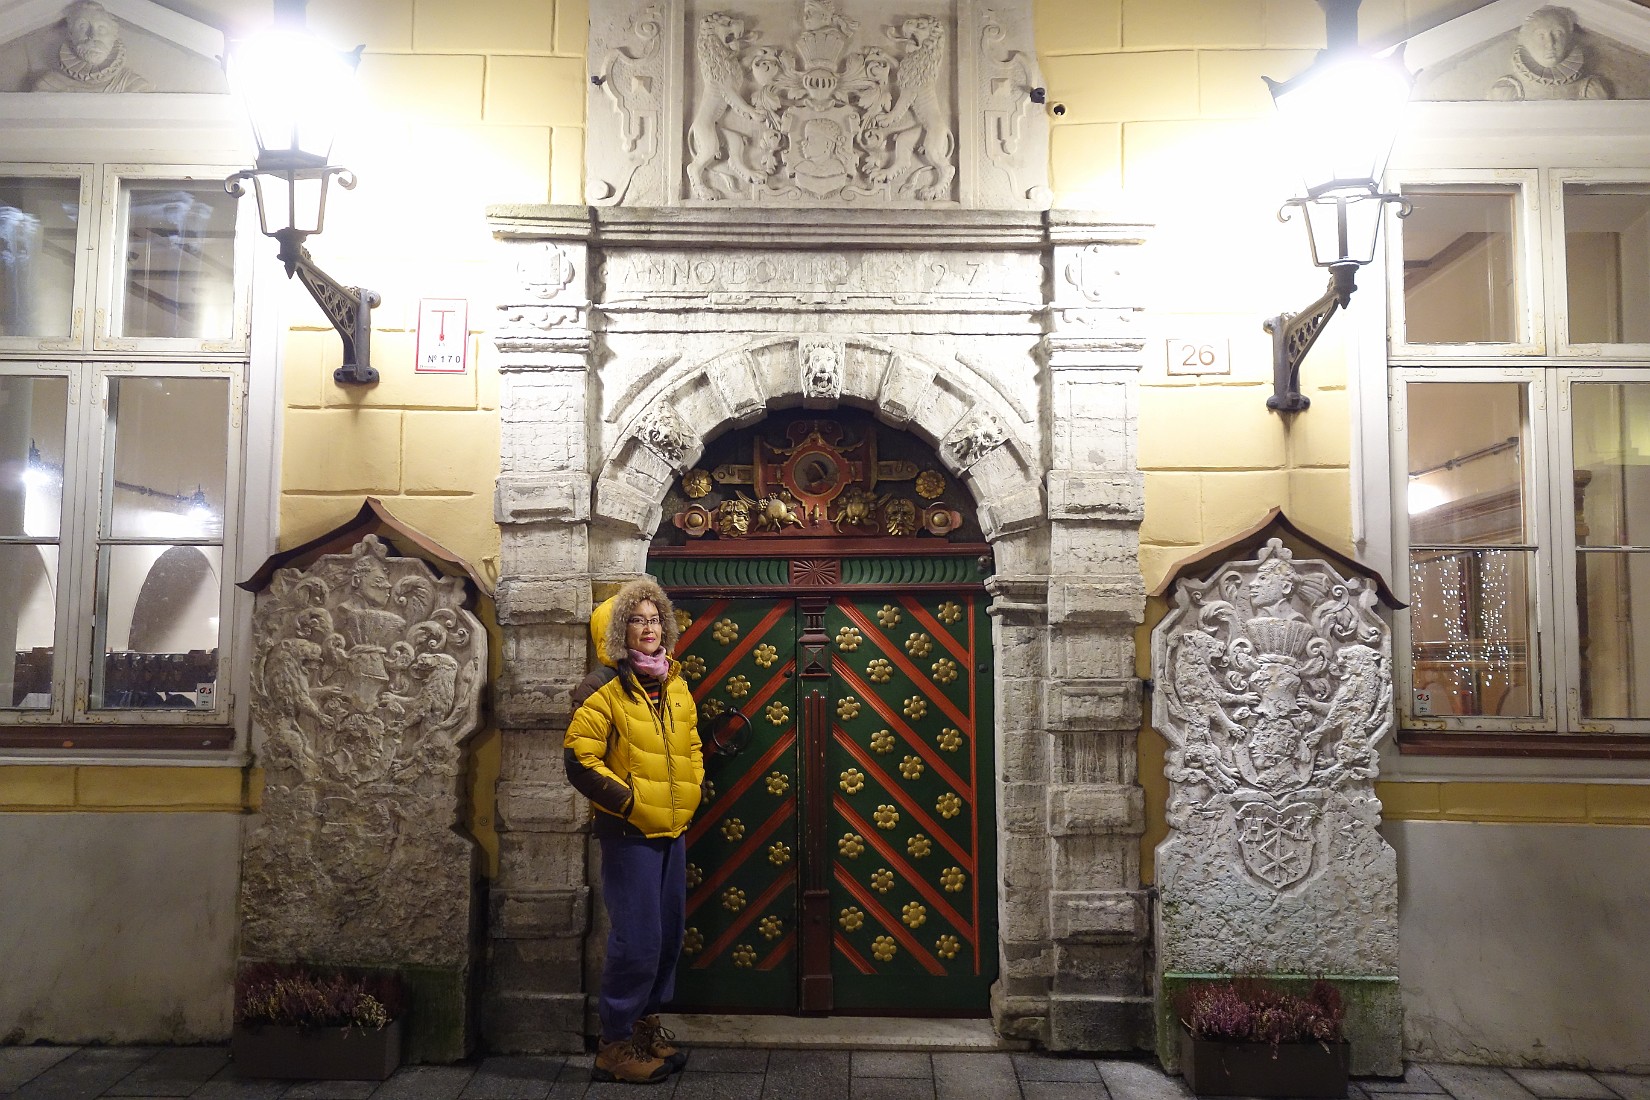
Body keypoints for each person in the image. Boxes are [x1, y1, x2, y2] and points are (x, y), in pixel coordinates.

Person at [564, 577, 703, 1084]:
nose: (648, 628)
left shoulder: (674, 683)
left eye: (654, 618)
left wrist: (692, 791)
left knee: (666, 938)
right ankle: (615, 1045)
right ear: (619, 629)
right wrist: (630, 803)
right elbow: (580, 761)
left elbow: (691, 746)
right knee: (638, 940)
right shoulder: (601, 687)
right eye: (637, 620)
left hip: (672, 829)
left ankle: (645, 1030)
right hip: (629, 834)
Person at [33, 1, 153, 93]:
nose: (93, 36)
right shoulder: (48, 85)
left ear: (114, 35)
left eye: (102, 28)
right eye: (83, 26)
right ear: (70, 34)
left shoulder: (135, 87)